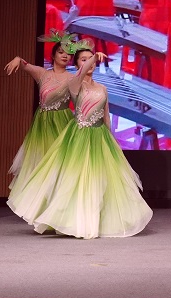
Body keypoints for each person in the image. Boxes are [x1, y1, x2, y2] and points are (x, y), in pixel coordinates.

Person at [8, 45, 153, 239]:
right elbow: (81, 74)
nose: (88, 63)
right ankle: (76, 222)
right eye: (83, 59)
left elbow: (106, 116)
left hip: (100, 137)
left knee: (103, 181)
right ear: (77, 64)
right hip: (80, 137)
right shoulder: (75, 84)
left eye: (90, 59)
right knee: (78, 180)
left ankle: (98, 220)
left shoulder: (102, 88)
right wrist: (93, 58)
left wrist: (112, 140)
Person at [3, 32, 77, 196]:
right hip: (42, 125)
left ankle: (58, 202)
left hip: (62, 123)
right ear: (53, 55)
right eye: (61, 52)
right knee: (40, 163)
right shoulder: (42, 74)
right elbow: (25, 64)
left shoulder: (72, 78)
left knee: (59, 164)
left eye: (68, 54)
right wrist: (17, 59)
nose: (65, 56)